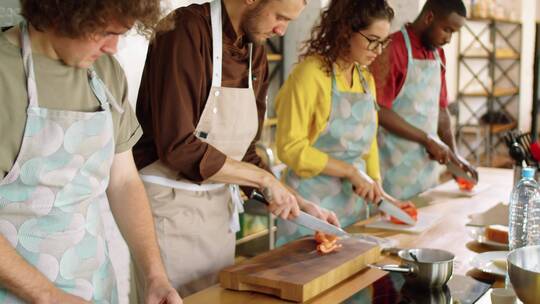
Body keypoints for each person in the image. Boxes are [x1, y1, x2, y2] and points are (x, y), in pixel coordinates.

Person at [134, 0, 339, 297]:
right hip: (169, 214)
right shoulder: (186, 30)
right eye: (279, 17)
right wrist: (263, 180)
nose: (281, 30)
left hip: (219, 214)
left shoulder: (255, 49)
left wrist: (299, 202)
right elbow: (178, 146)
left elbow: (245, 154)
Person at [0, 1, 182, 303]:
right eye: (104, 33)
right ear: (64, 14)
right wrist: (50, 297)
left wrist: (154, 276)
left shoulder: (106, 73)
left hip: (93, 289)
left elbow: (124, 181)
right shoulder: (5, 75)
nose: (113, 47)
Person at [274, 0, 410, 245]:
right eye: (372, 40)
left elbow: (368, 143)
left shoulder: (365, 79)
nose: (378, 51)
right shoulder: (310, 75)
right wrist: (350, 171)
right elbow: (289, 148)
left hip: (352, 211)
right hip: (310, 211)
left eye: (383, 42)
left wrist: (378, 189)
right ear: (346, 30)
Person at [371, 0, 479, 200]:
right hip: (391, 169)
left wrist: (454, 157)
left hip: (426, 170)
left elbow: (441, 110)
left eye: (453, 33)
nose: (448, 39)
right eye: (446, 30)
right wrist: (427, 139)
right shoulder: (392, 49)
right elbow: (378, 110)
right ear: (429, 17)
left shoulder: (438, 54)